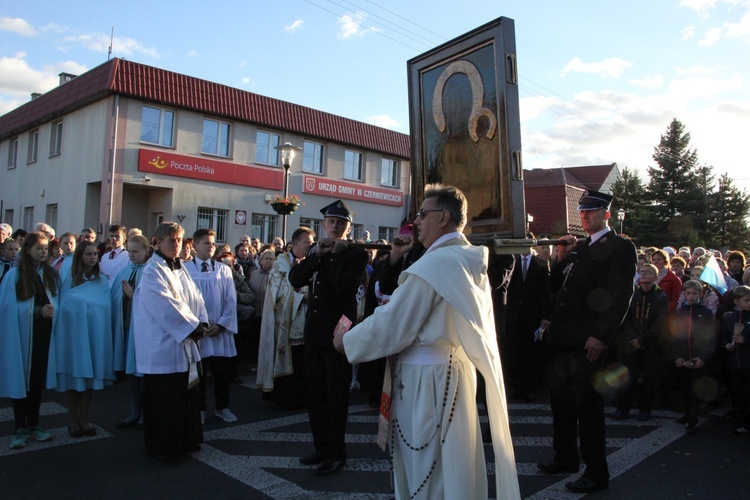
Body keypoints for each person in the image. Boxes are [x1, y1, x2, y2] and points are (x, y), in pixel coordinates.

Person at [333, 184, 519, 499]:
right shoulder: (464, 259)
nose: (416, 221)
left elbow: (393, 325)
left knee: (427, 471)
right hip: (454, 374)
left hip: (427, 382)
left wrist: (346, 342)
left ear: (443, 217)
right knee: (451, 466)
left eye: (422, 214)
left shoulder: (434, 266)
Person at [538, 189, 637, 494]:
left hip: (588, 341)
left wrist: (601, 335)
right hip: (563, 340)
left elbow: (620, 296)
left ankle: (596, 473)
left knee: (589, 408)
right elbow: (558, 289)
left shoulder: (619, 247)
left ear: (606, 214)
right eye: (582, 212)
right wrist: (559, 258)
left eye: (591, 211)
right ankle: (565, 457)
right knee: (561, 403)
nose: (585, 216)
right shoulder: (580, 249)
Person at [289, 199, 368, 476]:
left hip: (337, 335)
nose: (334, 227)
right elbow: (295, 279)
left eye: (340, 223)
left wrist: (334, 255)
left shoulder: (356, 253)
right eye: (330, 222)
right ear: (323, 224)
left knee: (336, 396)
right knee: (316, 394)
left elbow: (343, 285)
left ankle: (336, 453)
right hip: (314, 333)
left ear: (348, 227)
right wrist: (315, 256)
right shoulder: (317, 250)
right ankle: (321, 447)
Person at [133, 221, 208, 463]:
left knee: (183, 400)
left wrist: (203, 321)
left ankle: (186, 441)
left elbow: (196, 297)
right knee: (165, 404)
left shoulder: (180, 267)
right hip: (162, 348)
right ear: (157, 242)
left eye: (179, 240)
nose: (176, 245)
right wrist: (192, 327)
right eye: (171, 240)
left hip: (182, 344)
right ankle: (166, 450)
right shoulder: (152, 271)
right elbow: (165, 306)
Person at [0, 232, 59, 449]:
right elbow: (7, 308)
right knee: (20, 379)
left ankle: (35, 424)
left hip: (43, 335)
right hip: (22, 335)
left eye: (45, 248)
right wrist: (36, 312)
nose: (43, 251)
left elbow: (56, 299)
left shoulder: (50, 274)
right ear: (28, 250)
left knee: (36, 380)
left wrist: (53, 310)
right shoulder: (14, 276)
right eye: (39, 248)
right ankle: (20, 427)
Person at [54, 240, 115, 437]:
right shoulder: (70, 279)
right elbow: (65, 306)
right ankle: (73, 421)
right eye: (88, 254)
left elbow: (105, 307)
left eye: (95, 254)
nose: (92, 257)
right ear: (80, 256)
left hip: (94, 334)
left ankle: (84, 420)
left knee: (89, 381)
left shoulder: (102, 280)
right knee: (75, 379)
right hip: (75, 336)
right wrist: (82, 307)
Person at [186, 228, 239, 424]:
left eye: (213, 243)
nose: (211, 246)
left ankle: (222, 407)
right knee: (198, 375)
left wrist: (222, 325)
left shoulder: (223, 270)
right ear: (195, 245)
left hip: (219, 331)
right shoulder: (185, 270)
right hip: (197, 332)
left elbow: (231, 300)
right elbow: (183, 300)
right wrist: (196, 325)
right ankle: (199, 408)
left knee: (222, 374)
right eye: (207, 243)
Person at [258, 227, 314, 409]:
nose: (310, 245)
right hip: (284, 323)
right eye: (307, 241)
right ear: (295, 243)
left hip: (305, 321)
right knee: (288, 357)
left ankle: (303, 397)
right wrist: (301, 296)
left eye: (311, 242)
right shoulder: (280, 265)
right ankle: (285, 398)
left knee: (302, 361)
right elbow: (277, 294)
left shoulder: (310, 263)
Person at [613, 263, 668, 421]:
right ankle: (623, 409)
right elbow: (626, 318)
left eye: (648, 272)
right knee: (628, 376)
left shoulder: (660, 296)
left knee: (649, 378)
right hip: (631, 343)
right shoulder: (633, 294)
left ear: (655, 277)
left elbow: (660, 322)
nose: (644, 275)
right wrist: (633, 337)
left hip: (651, 343)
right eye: (642, 272)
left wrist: (643, 339)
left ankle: (645, 410)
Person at [111, 234, 151, 428]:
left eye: (136, 251)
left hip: (144, 332)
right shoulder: (126, 270)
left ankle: (147, 413)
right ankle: (135, 412)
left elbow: (154, 303)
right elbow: (113, 296)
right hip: (127, 327)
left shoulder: (151, 271)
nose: (132, 255)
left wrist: (134, 296)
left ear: (146, 251)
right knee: (132, 374)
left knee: (144, 374)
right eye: (130, 251)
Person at [505, 249, 552, 402]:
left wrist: (546, 316)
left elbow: (546, 292)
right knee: (515, 352)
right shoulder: (513, 260)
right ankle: (518, 388)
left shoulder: (542, 263)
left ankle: (530, 388)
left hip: (533, 315)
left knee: (531, 354)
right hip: (514, 316)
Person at [671, 279, 715, 434]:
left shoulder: (706, 312)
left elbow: (710, 337)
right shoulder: (680, 312)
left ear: (700, 294)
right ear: (684, 294)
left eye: (694, 293)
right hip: (683, 357)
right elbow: (674, 336)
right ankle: (688, 413)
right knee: (685, 389)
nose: (691, 296)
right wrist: (677, 356)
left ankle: (692, 420)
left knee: (695, 389)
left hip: (697, 358)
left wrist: (703, 357)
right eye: (688, 293)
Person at [721, 285, 750, 434]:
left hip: (747, 363)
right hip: (734, 362)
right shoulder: (730, 317)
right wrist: (726, 344)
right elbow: (724, 336)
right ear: (737, 301)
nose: (749, 303)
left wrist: (745, 340)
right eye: (746, 300)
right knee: (737, 393)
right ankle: (740, 421)